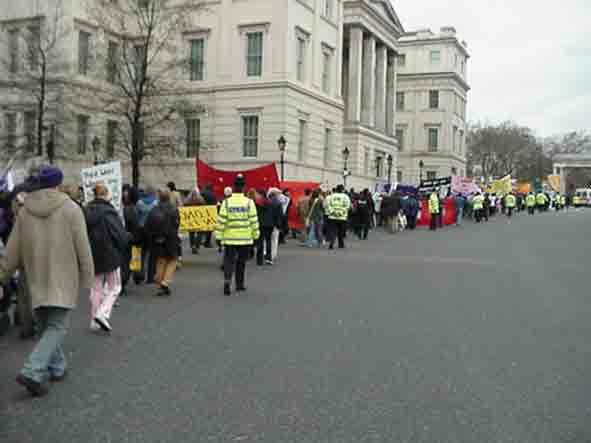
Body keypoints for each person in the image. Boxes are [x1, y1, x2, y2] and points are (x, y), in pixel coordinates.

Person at [0, 166, 94, 397]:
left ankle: (57, 367)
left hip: (35, 277)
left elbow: (12, 251)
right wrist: (88, 277)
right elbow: (83, 247)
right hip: (64, 276)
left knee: (46, 326)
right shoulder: (71, 209)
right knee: (56, 326)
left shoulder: (24, 211)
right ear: (58, 184)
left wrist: (2, 275)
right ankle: (33, 370)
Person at [85, 184, 130, 332]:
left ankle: (94, 320)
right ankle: (102, 313)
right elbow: (119, 233)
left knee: (96, 288)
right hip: (110, 253)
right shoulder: (109, 212)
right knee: (115, 287)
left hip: (92, 253)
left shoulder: (86, 211)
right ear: (106, 194)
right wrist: (126, 241)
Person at [215, 175, 260, 296]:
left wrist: (218, 237)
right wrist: (256, 236)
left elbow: (221, 221)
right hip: (245, 239)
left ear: (234, 187)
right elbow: (254, 221)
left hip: (229, 238)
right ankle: (239, 284)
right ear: (244, 187)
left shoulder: (226, 203)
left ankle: (227, 281)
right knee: (241, 262)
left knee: (229, 260)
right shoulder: (249, 203)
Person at [144, 189, 180, 296]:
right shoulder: (173, 209)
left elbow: (148, 224)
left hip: (157, 239)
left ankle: (160, 283)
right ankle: (166, 281)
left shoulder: (154, 209)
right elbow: (176, 224)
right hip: (170, 239)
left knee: (160, 261)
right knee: (172, 260)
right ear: (169, 198)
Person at [136, 186, 158, 284]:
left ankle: (140, 274)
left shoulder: (139, 202)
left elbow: (136, 216)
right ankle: (150, 277)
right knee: (152, 254)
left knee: (141, 253)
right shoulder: (156, 203)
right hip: (153, 230)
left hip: (141, 229)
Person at [261, 188, 283, 264]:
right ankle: (272, 255)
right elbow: (280, 215)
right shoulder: (278, 203)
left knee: (266, 240)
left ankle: (265, 253)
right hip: (275, 224)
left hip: (266, 223)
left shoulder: (265, 202)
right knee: (274, 240)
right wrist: (280, 225)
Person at [325, 184, 351, 249]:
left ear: (336, 189)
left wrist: (332, 212)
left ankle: (331, 243)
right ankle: (341, 244)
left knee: (332, 231)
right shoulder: (345, 196)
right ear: (342, 190)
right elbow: (347, 206)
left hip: (332, 217)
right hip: (342, 217)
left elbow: (328, 205)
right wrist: (341, 213)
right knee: (341, 231)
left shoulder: (331, 196)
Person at [184, 188, 205, 254]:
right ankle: (197, 245)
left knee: (191, 233)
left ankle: (192, 245)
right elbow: (204, 207)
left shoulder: (187, 200)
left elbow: (184, 207)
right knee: (199, 233)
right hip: (198, 218)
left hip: (190, 219)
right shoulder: (200, 199)